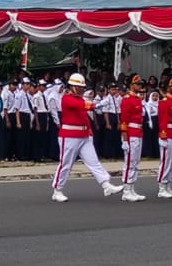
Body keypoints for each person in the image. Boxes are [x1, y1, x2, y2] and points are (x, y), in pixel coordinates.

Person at [51, 73, 122, 202]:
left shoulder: (79, 98)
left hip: (83, 136)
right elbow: (84, 107)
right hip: (69, 136)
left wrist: (89, 131)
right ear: (72, 86)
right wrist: (100, 103)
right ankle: (57, 190)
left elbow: (84, 116)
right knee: (66, 164)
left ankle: (106, 185)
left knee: (93, 162)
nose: (81, 89)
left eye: (82, 87)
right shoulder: (67, 98)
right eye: (79, 87)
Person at [117, 75, 146, 201]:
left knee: (135, 161)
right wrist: (124, 139)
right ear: (131, 85)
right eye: (137, 84)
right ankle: (126, 189)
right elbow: (123, 120)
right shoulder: (127, 99)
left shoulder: (137, 99)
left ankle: (132, 187)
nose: (140, 86)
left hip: (138, 131)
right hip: (131, 132)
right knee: (129, 162)